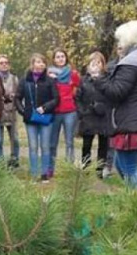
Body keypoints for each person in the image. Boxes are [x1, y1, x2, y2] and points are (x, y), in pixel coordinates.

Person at [94, 21, 137, 189]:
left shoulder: (132, 64)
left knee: (129, 169)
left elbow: (117, 92)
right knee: (121, 165)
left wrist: (99, 78)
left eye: (121, 39)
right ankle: (132, 199)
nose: (119, 43)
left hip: (130, 122)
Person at [15, 53, 59, 183]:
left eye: (43, 62)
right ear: (32, 64)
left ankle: (44, 174)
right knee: (33, 146)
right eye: (38, 62)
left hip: (46, 118)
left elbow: (56, 99)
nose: (41, 65)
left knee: (45, 146)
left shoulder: (50, 80)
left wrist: (45, 107)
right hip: (30, 119)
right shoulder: (24, 80)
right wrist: (23, 112)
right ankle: (34, 174)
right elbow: (17, 98)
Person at [76, 51, 110, 178]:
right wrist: (82, 112)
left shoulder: (107, 78)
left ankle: (100, 170)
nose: (95, 65)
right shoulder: (84, 80)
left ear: (103, 64)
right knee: (86, 145)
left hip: (102, 116)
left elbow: (112, 96)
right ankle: (85, 169)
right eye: (92, 63)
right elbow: (78, 98)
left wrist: (104, 108)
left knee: (103, 145)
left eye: (98, 62)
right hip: (88, 117)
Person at [47, 49, 80, 178]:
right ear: (54, 60)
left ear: (66, 58)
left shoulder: (73, 73)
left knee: (69, 142)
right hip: (55, 111)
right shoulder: (49, 73)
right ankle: (50, 168)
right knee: (52, 142)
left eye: (62, 56)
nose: (60, 59)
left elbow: (78, 90)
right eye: (57, 57)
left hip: (70, 111)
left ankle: (69, 167)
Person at [0, 54, 20, 168]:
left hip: (11, 112)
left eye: (6, 62)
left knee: (14, 139)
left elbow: (19, 94)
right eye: (1, 63)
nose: (4, 65)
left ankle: (14, 159)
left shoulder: (14, 78)